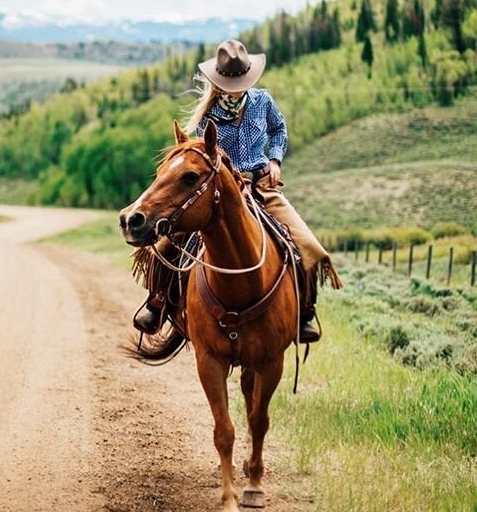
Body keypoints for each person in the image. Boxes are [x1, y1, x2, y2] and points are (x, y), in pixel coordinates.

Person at [133, 39, 343, 342]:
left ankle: (305, 313)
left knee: (306, 245)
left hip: (261, 186)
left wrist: (275, 159)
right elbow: (204, 156)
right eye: (230, 83)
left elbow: (278, 130)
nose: (237, 88)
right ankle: (158, 300)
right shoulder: (209, 115)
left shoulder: (263, 102)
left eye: (241, 81)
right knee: (170, 242)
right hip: (223, 190)